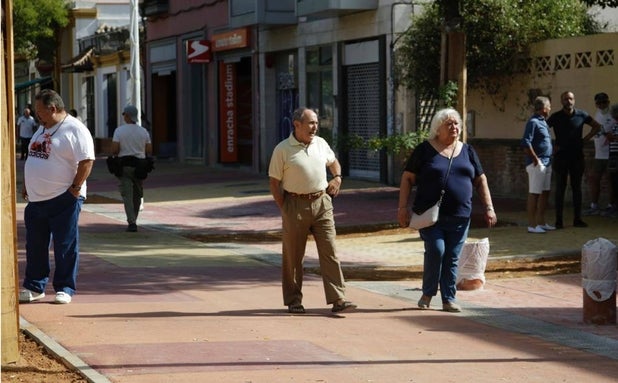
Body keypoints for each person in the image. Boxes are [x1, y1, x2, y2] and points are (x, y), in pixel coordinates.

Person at [397, 108, 497, 313]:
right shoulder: (424, 150)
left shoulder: (468, 151)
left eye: (457, 123)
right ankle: (428, 292)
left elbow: (481, 180)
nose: (454, 127)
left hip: (460, 215)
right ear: (437, 128)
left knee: (452, 257)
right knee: (436, 250)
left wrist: (489, 207)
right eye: (449, 123)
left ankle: (449, 299)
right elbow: (407, 178)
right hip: (430, 216)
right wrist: (402, 208)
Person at [268, 107, 356, 314]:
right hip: (294, 204)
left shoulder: (321, 144)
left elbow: (333, 162)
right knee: (293, 256)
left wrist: (337, 177)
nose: (315, 127)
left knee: (330, 251)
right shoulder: (282, 149)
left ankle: (338, 299)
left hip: (322, 203)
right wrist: (285, 207)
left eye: (316, 123)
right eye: (310, 123)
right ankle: (293, 300)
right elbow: (274, 183)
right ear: (297, 125)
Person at [19, 89, 95, 304]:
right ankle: (35, 287)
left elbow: (87, 160)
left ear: (53, 109)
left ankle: (65, 288)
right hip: (36, 200)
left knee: (65, 245)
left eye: (40, 111)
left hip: (64, 198)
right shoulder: (42, 129)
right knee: (35, 245)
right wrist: (28, 183)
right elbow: (35, 156)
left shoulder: (75, 129)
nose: (37, 115)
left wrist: (74, 189)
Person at [547, 91, 602, 229]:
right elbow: (543, 129)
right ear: (561, 101)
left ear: (574, 100)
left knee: (576, 188)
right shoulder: (556, 117)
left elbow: (597, 126)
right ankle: (558, 221)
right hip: (561, 157)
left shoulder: (582, 115)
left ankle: (577, 219)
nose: (568, 101)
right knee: (560, 188)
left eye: (570, 99)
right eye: (565, 99)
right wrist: (550, 145)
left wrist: (585, 139)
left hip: (577, 156)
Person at [111, 105, 152, 232]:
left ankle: (132, 222)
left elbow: (115, 149)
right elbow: (149, 149)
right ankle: (134, 218)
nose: (123, 117)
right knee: (138, 194)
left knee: (127, 195)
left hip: (125, 166)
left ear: (127, 116)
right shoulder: (143, 131)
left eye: (124, 115)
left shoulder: (119, 131)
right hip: (140, 166)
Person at [521, 96, 555, 234]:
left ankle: (541, 221)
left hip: (547, 161)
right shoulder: (533, 122)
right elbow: (525, 142)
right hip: (538, 163)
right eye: (549, 107)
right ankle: (532, 225)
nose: (550, 109)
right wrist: (536, 159)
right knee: (534, 193)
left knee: (545, 192)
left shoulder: (544, 122)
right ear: (544, 108)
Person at [584, 92, 614, 216]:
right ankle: (594, 205)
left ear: (608, 102)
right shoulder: (597, 115)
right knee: (594, 179)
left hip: (610, 154)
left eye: (604, 102)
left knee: (610, 181)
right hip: (599, 154)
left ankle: (611, 206)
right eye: (599, 103)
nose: (602, 105)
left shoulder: (613, 115)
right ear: (596, 104)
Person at [604, 103, 618, 218]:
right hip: (613, 154)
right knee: (613, 181)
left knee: (616, 181)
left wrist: (611, 137)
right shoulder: (615, 125)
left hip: (616, 155)